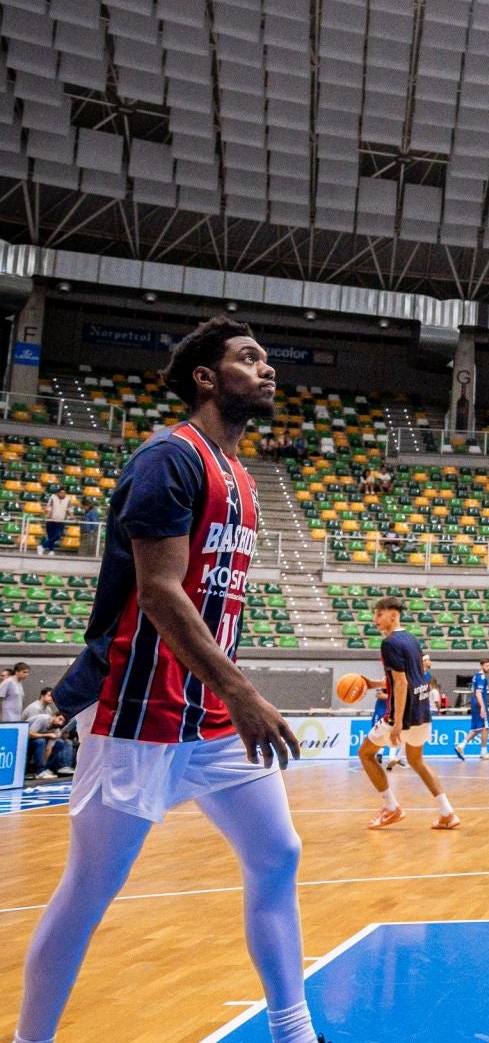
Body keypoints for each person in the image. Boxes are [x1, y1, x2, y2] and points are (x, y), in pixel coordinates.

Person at [19, 317, 324, 1043]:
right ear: (206, 379)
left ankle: (295, 1033)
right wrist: (243, 692)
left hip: (210, 716)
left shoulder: (243, 477)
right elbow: (159, 592)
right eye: (249, 358)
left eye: (267, 359)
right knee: (90, 890)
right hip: (139, 708)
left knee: (278, 855)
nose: (267, 369)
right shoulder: (169, 458)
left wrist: (227, 696)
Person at [358, 596, 458, 830]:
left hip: (402, 716)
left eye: (379, 614)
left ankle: (391, 808)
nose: (375, 620)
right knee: (416, 760)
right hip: (422, 712)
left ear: (393, 615)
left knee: (365, 754)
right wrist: (374, 684)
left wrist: (397, 723)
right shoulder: (412, 640)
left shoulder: (389, 643)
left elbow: (402, 683)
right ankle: (447, 812)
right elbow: (412, 675)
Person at [24, 688, 73, 778]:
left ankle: (44, 769)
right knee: (41, 741)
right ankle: (40, 771)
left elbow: (48, 749)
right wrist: (47, 735)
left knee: (59, 742)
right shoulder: (42, 717)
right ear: (54, 716)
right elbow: (29, 734)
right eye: (60, 719)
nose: (60, 723)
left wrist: (44, 764)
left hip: (37, 737)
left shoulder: (56, 729)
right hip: (24, 738)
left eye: (63, 722)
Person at [455, 658, 489, 761]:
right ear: (481, 666)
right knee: (485, 727)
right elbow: (478, 693)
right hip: (479, 704)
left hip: (475, 704)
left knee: (478, 728)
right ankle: (484, 752)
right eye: (486, 666)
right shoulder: (481, 677)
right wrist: (482, 707)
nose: (488, 667)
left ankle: (461, 746)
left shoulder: (476, 676)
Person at [41, 484, 72, 555]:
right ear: (58, 493)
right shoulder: (53, 497)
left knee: (58, 535)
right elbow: (49, 507)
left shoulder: (68, 499)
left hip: (60, 521)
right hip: (51, 520)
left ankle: (42, 546)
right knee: (50, 536)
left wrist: (72, 516)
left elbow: (69, 509)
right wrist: (48, 515)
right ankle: (51, 551)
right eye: (61, 493)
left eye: (64, 493)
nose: (63, 494)